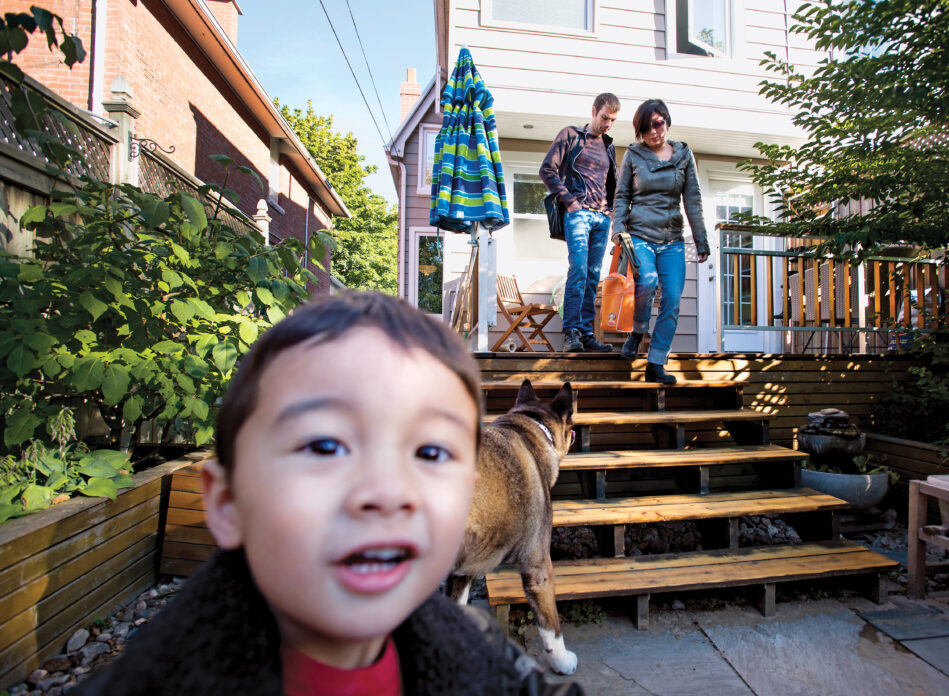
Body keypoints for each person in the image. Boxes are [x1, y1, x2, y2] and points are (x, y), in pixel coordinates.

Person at [72, 292, 582, 696]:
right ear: (229, 506)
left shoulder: (481, 657)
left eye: (429, 454)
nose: (387, 492)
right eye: (324, 445)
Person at [612, 99, 711, 384]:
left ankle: (656, 362)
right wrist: (618, 229)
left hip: (672, 240)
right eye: (646, 128)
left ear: (666, 121)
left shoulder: (683, 155)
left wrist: (701, 241)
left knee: (673, 300)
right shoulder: (633, 155)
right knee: (648, 280)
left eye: (657, 124)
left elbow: (692, 198)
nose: (653, 132)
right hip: (640, 235)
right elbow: (622, 196)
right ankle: (637, 331)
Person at [540, 92, 620, 353]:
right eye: (605, 118)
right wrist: (569, 201)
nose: (608, 124)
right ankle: (570, 333)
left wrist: (611, 211)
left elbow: (613, 184)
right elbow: (547, 170)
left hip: (601, 218)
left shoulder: (609, 146)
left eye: (613, 121)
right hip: (579, 212)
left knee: (593, 276)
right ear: (594, 110)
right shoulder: (571, 135)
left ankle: (586, 334)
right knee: (578, 271)